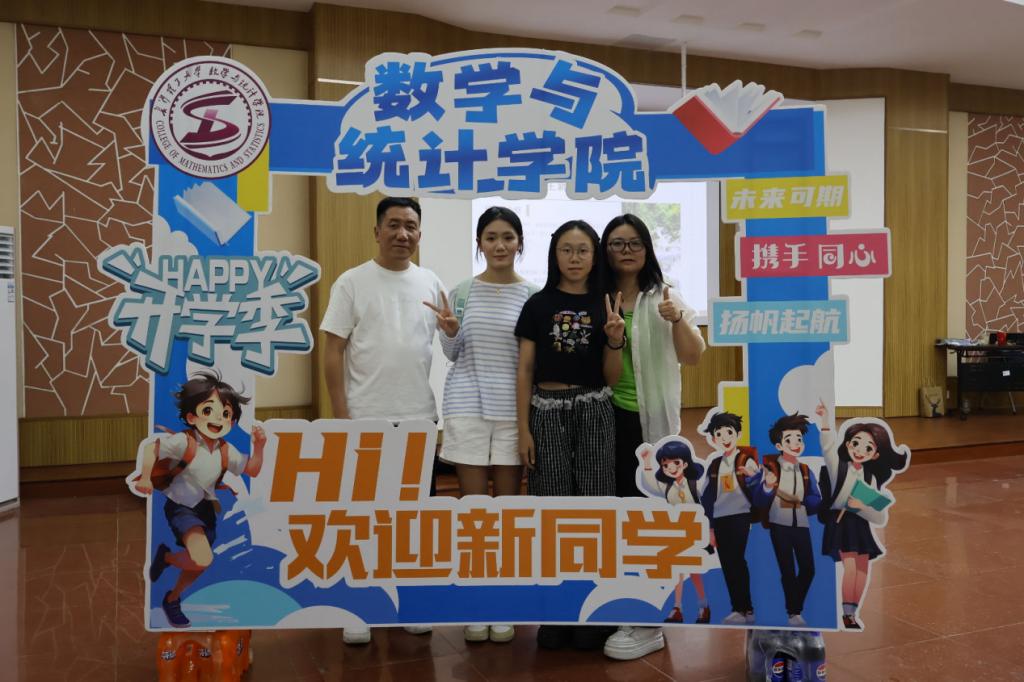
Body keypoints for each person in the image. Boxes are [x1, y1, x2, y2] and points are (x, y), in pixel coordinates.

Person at [320, 196, 443, 645]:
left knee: (413, 518)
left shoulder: (431, 281)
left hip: (418, 418)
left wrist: (453, 331)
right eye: (393, 225)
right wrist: (342, 415)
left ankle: (410, 601)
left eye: (411, 226)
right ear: (376, 232)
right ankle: (361, 606)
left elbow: (446, 340)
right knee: (363, 518)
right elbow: (333, 350)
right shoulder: (352, 282)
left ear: (420, 233)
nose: (402, 234)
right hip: (366, 418)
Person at [596, 213, 706, 660]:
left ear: (647, 249)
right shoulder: (596, 296)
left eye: (634, 243)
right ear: (606, 250)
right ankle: (618, 601)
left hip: (651, 424)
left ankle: (647, 620)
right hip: (603, 418)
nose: (626, 251)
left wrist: (677, 319)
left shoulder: (665, 295)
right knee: (613, 513)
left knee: (648, 517)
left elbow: (693, 355)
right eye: (617, 243)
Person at [429, 206, 538, 644]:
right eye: (491, 237)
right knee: (474, 512)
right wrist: (450, 331)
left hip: (514, 413)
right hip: (467, 407)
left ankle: (503, 601)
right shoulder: (461, 292)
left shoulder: (533, 295)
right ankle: (477, 601)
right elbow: (453, 353)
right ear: (479, 243)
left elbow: (531, 362)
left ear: (519, 243)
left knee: (507, 511)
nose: (499, 245)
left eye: (508, 237)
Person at [514, 219, 624, 651]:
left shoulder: (607, 303)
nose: (574, 258)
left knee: (596, 504)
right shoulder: (537, 304)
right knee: (550, 506)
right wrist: (523, 428)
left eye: (582, 250)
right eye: (566, 249)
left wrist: (614, 340)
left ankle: (593, 610)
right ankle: (556, 610)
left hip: (594, 407)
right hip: (545, 409)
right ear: (554, 254)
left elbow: (611, 378)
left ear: (595, 256)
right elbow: (525, 369)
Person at [137, 369, 266, 629]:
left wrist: (260, 447)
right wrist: (146, 477)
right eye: (209, 410)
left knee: (199, 564)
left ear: (231, 421)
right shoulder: (184, 442)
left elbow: (251, 470)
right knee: (203, 558)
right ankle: (168, 566)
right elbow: (152, 448)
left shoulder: (226, 451)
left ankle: (172, 594)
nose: (218, 418)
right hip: (181, 508)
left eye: (226, 413)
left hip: (205, 510)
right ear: (191, 417)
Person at [816, 402, 908, 630]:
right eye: (856, 443)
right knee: (849, 568)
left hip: (860, 525)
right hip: (841, 522)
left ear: (875, 454)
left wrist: (862, 506)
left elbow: (879, 517)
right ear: (848, 444)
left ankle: (853, 612)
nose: (859, 450)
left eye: (868, 448)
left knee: (862, 568)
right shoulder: (839, 468)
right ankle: (847, 614)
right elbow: (828, 447)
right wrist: (825, 421)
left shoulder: (870, 478)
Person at [749, 413, 822, 627]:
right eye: (789, 439)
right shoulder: (771, 469)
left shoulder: (806, 471)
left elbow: (815, 498)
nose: (796, 443)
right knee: (787, 570)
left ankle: (794, 605)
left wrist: (809, 501)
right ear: (779, 445)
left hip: (801, 524)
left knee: (808, 569)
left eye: (799, 438)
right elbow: (759, 501)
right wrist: (767, 486)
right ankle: (794, 613)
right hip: (779, 525)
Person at [634, 440, 711, 629]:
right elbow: (650, 484)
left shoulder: (695, 484)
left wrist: (710, 530)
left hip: (695, 532)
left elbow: (708, 504)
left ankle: (703, 605)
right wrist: (646, 462)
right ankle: (677, 608)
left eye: (675, 463)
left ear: (685, 463)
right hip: (677, 533)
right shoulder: (667, 487)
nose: (671, 468)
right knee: (677, 571)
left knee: (695, 571)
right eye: (665, 465)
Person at [699, 411, 761, 625]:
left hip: (740, 516)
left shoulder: (746, 459)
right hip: (720, 519)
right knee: (727, 563)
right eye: (719, 434)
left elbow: (759, 491)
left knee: (737, 560)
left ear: (738, 434)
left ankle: (746, 608)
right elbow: (707, 497)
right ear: (713, 438)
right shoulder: (715, 464)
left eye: (729, 432)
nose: (725, 438)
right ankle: (739, 608)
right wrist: (710, 527)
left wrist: (754, 478)